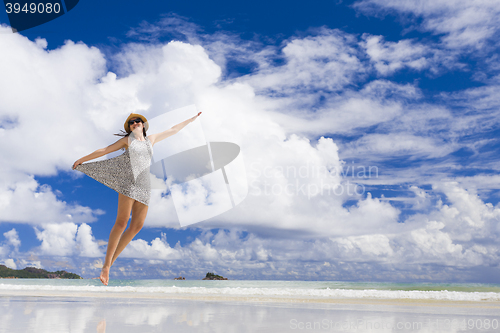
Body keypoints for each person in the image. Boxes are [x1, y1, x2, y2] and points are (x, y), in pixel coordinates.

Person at [72, 111, 202, 285]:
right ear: (130, 127)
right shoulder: (127, 141)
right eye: (131, 122)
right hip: (128, 182)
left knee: (137, 226)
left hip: (144, 185)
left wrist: (191, 119)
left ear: (143, 124)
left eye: (137, 121)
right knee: (121, 223)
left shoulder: (151, 140)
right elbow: (105, 150)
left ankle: (109, 264)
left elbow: (173, 130)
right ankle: (106, 266)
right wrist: (82, 159)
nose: (134, 123)